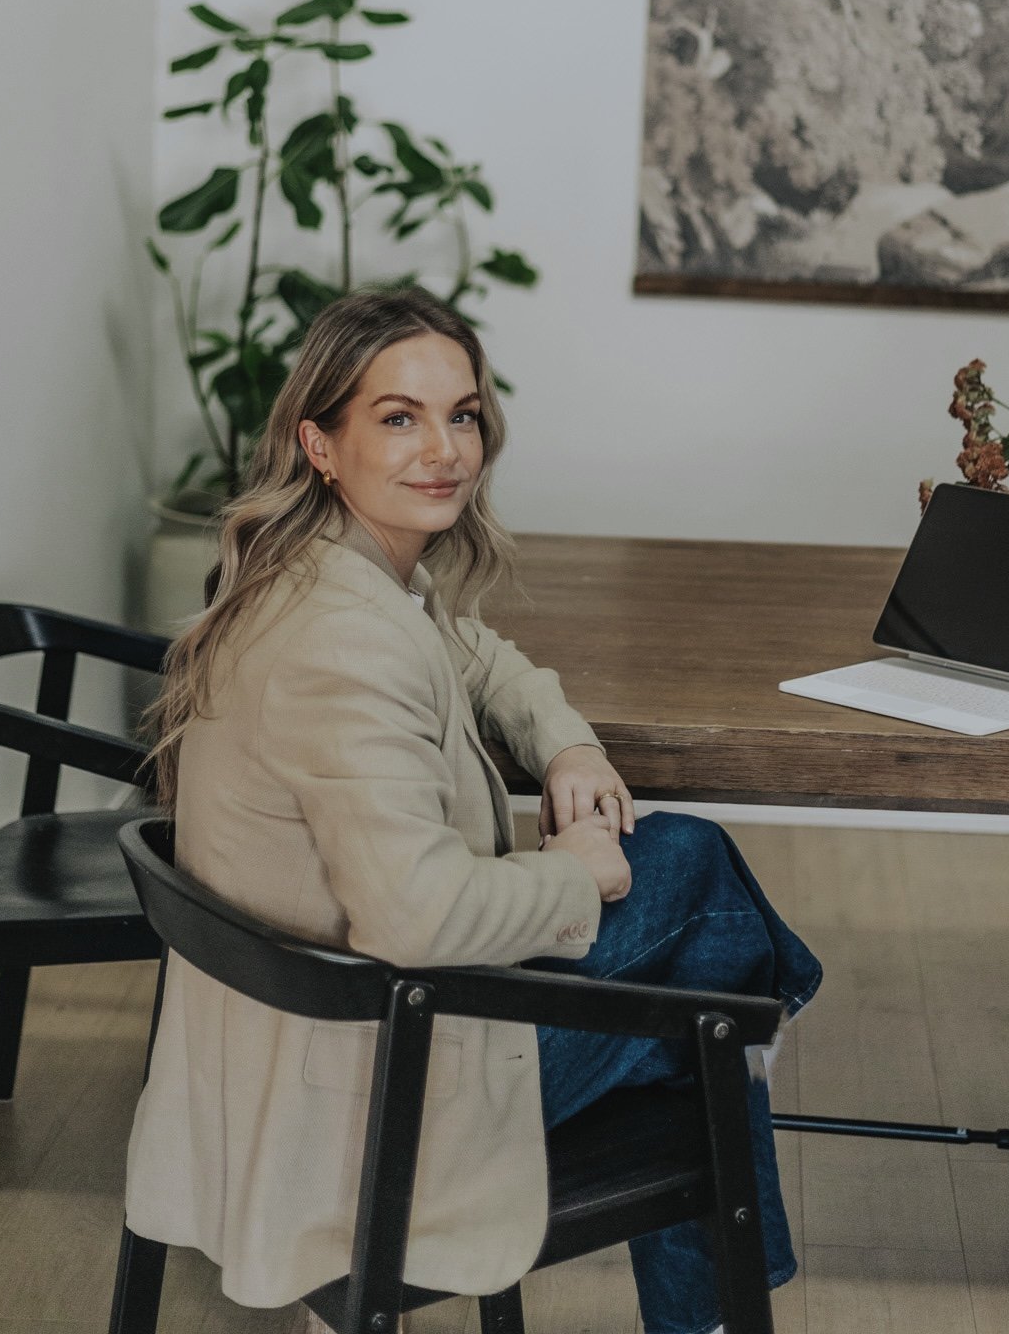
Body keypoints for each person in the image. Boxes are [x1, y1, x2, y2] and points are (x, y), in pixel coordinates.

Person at [125, 286, 820, 1334]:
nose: (443, 447)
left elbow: (479, 657)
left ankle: (741, 1043)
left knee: (693, 1007)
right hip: (377, 1087)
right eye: (397, 417)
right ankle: (758, 1049)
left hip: (308, 1047)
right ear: (320, 441)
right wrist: (582, 869)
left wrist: (567, 743)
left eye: (461, 414)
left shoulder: (320, 575)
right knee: (691, 900)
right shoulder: (344, 643)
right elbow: (415, 918)